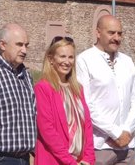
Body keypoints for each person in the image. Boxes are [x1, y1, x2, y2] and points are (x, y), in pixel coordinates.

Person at [76, 14, 135, 165]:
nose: (116, 38)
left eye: (119, 33)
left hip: (127, 146)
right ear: (98, 33)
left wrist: (126, 131)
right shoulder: (85, 60)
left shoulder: (127, 61)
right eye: (111, 33)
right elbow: (85, 104)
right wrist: (115, 133)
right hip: (100, 145)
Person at [35, 36, 95, 165]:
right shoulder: (43, 88)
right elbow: (47, 130)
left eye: (71, 57)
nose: (67, 62)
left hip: (80, 160)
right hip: (54, 160)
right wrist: (69, 162)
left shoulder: (78, 89)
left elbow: (88, 126)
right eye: (62, 56)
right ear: (51, 59)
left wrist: (88, 159)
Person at [0, 23, 37, 164]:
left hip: (25, 158)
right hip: (1, 158)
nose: (24, 50)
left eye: (26, 45)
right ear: (3, 45)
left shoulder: (26, 75)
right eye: (19, 44)